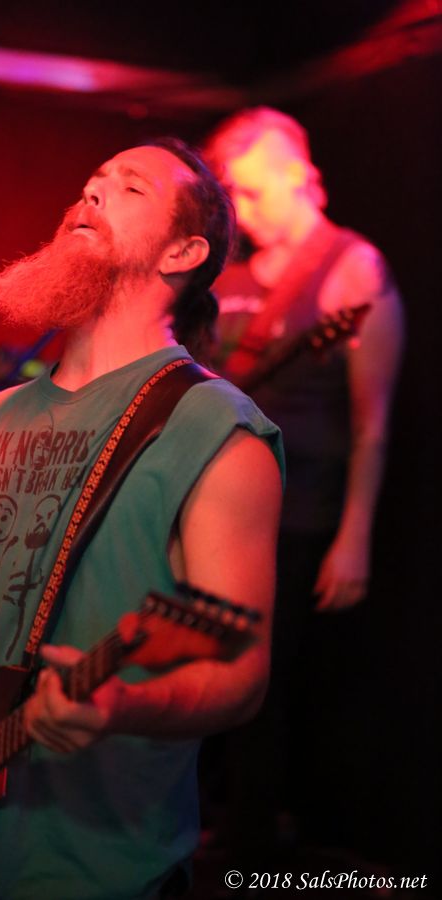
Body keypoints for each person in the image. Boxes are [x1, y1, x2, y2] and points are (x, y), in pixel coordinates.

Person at [0, 138, 283, 900]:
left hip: (107, 871)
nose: (92, 193)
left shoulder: (216, 429)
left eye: (129, 188)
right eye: (91, 182)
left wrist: (123, 704)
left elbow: (241, 673)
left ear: (184, 252)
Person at [202, 108, 404, 860]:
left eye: (254, 193)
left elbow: (372, 423)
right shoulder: (233, 275)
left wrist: (354, 536)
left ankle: (256, 849)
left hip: (299, 514)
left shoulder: (352, 267)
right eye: (234, 197)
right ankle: (218, 829)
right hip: (218, 514)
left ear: (298, 172)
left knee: (270, 684)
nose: (244, 211)